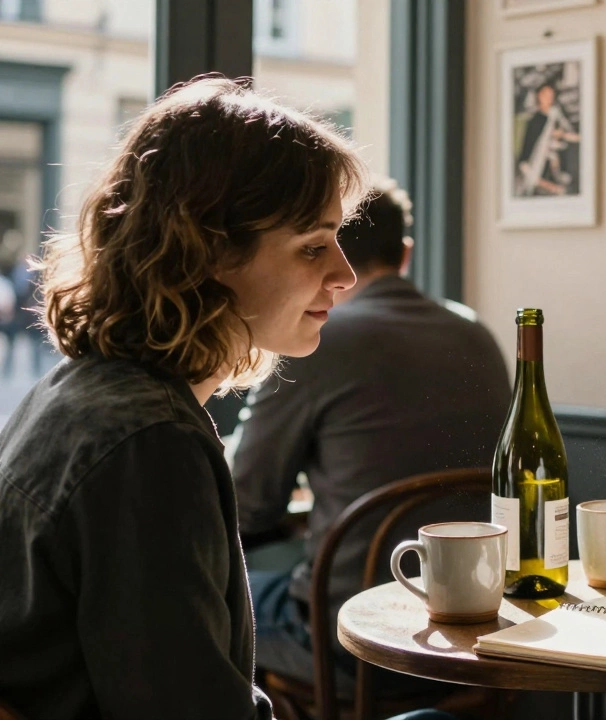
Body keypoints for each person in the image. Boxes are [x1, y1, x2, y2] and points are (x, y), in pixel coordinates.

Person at [0, 76, 367, 719]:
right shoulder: (150, 444)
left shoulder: (78, 393)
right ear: (209, 252)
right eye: (313, 245)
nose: (345, 274)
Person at [228, 175, 510, 694]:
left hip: (354, 643)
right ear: (404, 254)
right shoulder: (476, 332)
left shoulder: (318, 344)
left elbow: (246, 503)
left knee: (206, 603)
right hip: (480, 636)